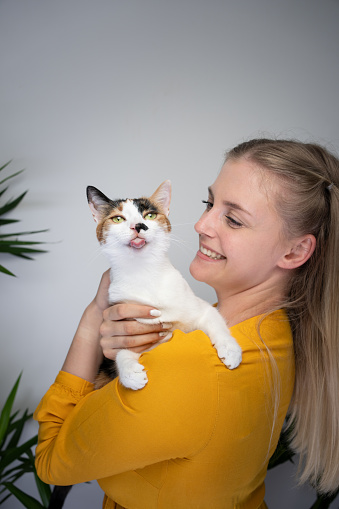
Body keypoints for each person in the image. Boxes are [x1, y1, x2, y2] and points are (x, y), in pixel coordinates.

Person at [34, 138, 339, 509]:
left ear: (295, 251)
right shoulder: (275, 333)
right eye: (208, 204)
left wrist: (91, 320)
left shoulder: (187, 367)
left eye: (234, 218)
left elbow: (50, 462)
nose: (199, 224)